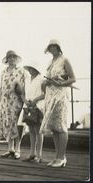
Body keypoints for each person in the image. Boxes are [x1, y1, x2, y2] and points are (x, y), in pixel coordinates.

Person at [40, 39, 76, 168]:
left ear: (58, 47)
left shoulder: (64, 60)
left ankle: (62, 157)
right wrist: (46, 83)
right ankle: (57, 157)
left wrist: (60, 83)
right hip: (51, 96)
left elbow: (73, 79)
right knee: (54, 127)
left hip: (60, 95)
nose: (52, 48)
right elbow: (49, 78)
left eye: (54, 46)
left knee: (61, 126)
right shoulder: (51, 62)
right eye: (50, 46)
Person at [0, 50, 26, 159]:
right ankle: (10, 149)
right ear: (7, 59)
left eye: (14, 57)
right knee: (7, 123)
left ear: (16, 59)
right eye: (10, 57)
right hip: (5, 101)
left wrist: (24, 100)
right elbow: (1, 87)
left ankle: (18, 149)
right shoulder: (3, 72)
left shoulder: (21, 71)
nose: (12, 59)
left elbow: (24, 87)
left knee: (16, 124)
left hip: (16, 100)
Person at [21, 63, 45, 163]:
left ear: (37, 69)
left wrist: (35, 100)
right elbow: (22, 93)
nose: (31, 70)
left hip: (38, 106)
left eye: (33, 68)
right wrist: (25, 101)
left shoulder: (41, 79)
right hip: (28, 106)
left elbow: (45, 93)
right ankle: (32, 153)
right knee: (31, 130)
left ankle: (39, 155)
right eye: (30, 68)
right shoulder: (26, 79)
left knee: (38, 131)